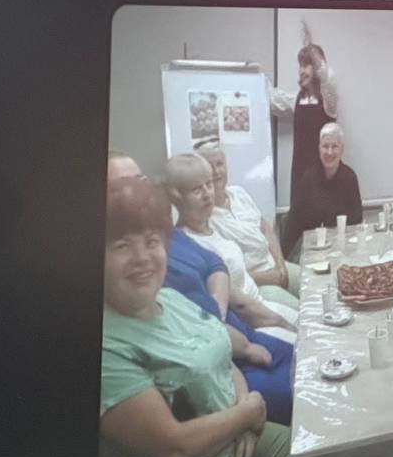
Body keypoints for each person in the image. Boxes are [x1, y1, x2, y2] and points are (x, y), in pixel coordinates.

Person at [99, 177, 290, 457]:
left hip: (236, 435)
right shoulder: (106, 346)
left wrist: (246, 414)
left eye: (152, 241)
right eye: (122, 246)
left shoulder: (171, 300)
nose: (142, 257)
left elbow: (223, 359)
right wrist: (247, 412)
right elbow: (174, 448)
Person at [108, 152, 296, 424]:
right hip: (229, 353)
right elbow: (194, 345)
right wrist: (243, 414)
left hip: (237, 335)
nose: (137, 191)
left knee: (307, 365)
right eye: (124, 185)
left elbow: (216, 266)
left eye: (140, 180)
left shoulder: (168, 237)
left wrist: (217, 313)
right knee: (298, 395)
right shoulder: (141, 273)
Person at [163, 153, 297, 340]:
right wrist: (284, 323)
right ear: (178, 197)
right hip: (249, 324)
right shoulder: (190, 244)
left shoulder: (210, 230)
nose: (207, 194)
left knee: (312, 321)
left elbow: (265, 228)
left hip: (261, 304)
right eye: (197, 189)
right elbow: (240, 307)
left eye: (208, 184)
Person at [197, 142, 300, 308]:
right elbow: (228, 277)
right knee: (300, 311)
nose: (216, 172)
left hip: (275, 265)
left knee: (316, 285)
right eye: (209, 167)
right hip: (254, 285)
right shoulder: (205, 220)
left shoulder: (239, 193)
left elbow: (266, 229)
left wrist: (281, 263)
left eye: (220, 164)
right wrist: (267, 277)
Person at [268, 21, 338, 199]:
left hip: (323, 180)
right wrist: (255, 75)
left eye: (306, 66)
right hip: (300, 180)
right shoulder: (297, 99)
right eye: (300, 66)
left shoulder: (329, 101)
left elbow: (327, 76)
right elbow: (272, 99)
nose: (301, 71)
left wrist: (310, 48)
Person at [280, 122, 364, 258]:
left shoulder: (350, 178)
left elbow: (357, 222)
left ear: (342, 149)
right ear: (319, 148)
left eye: (334, 146)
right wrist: (282, 260)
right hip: (313, 250)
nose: (329, 152)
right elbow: (294, 223)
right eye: (325, 146)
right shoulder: (307, 179)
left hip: (343, 249)